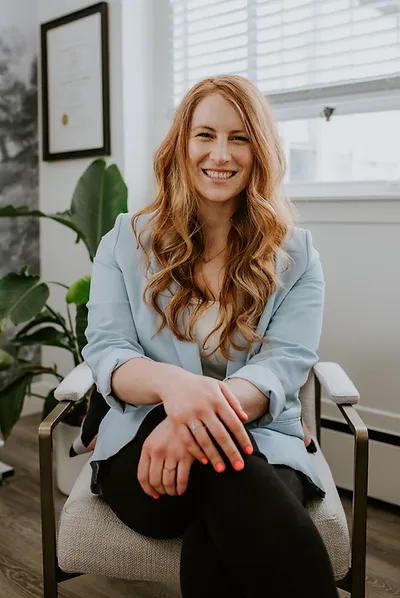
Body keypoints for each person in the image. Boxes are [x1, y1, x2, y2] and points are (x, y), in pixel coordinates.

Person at [82, 75, 339, 598]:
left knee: (223, 515)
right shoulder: (125, 241)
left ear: (259, 150)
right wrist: (177, 392)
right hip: (143, 442)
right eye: (205, 135)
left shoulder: (297, 254)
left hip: (258, 437)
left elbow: (285, 363)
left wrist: (195, 418)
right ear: (182, 143)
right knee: (235, 481)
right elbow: (109, 350)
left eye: (239, 137)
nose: (220, 154)